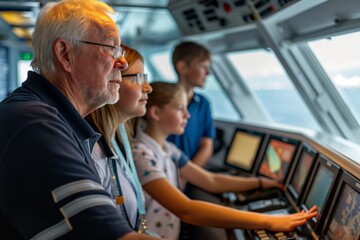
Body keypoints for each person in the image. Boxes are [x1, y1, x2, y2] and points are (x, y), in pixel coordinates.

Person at [0, 1, 156, 239]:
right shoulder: (34, 124)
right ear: (65, 54)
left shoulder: (59, 121)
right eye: (111, 47)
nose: (122, 63)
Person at [132, 81, 318, 239]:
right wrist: (268, 221)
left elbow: (212, 181)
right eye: (180, 109)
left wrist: (261, 183)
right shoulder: (141, 154)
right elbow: (187, 210)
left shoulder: (169, 150)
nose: (187, 115)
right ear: (155, 113)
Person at [86, 45, 156, 236]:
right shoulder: (92, 151)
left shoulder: (119, 140)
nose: (148, 88)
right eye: (138, 78)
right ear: (112, 81)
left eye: (146, 78)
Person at [167, 41, 215, 168]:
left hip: (187, 179)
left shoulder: (203, 104)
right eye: (203, 67)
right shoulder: (162, 99)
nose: (208, 73)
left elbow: (206, 146)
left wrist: (185, 176)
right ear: (183, 67)